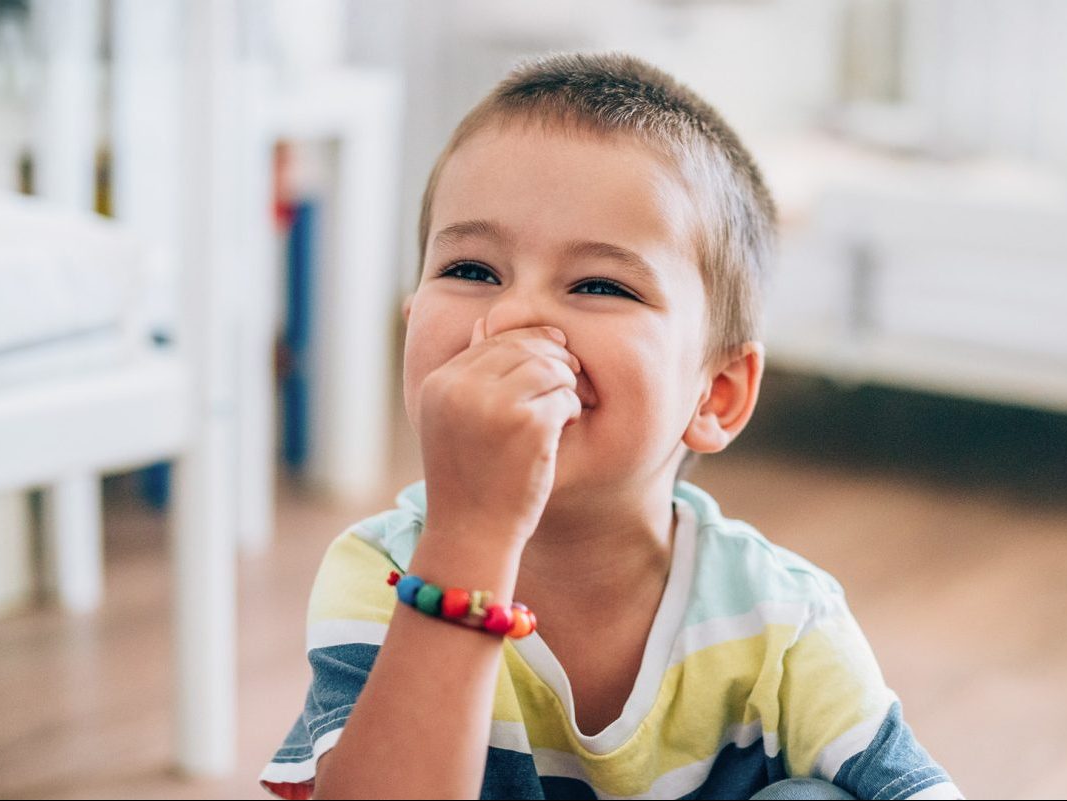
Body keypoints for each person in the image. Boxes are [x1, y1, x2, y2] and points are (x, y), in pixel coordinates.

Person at [259, 52, 961, 800]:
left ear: (715, 394)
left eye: (599, 283)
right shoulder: (384, 572)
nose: (513, 317)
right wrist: (468, 537)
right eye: (471, 269)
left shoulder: (780, 617)